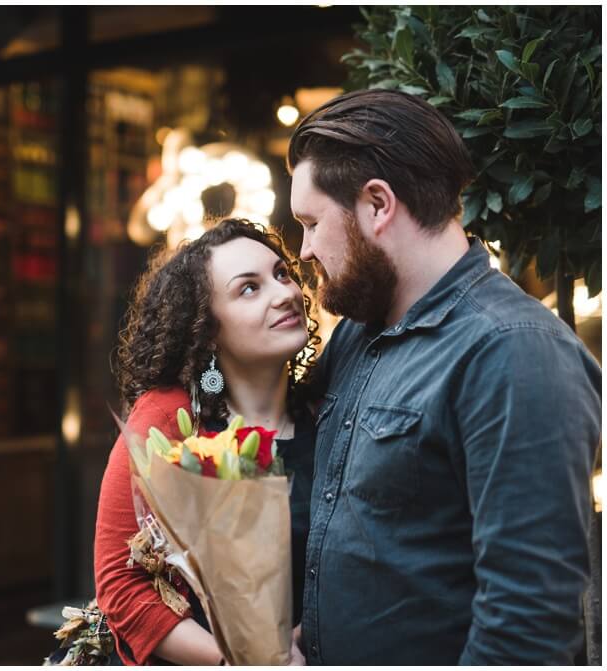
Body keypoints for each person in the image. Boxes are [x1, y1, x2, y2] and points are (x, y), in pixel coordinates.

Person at [286, 89, 602, 665]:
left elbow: (527, 625)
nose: (304, 249)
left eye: (310, 223)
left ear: (378, 205)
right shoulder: (359, 330)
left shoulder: (515, 353)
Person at [92, 218, 317, 665]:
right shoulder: (171, 419)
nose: (283, 294)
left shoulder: (329, 415)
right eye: (249, 289)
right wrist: (238, 660)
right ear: (208, 329)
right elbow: (121, 583)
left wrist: (300, 636)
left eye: (281, 274)